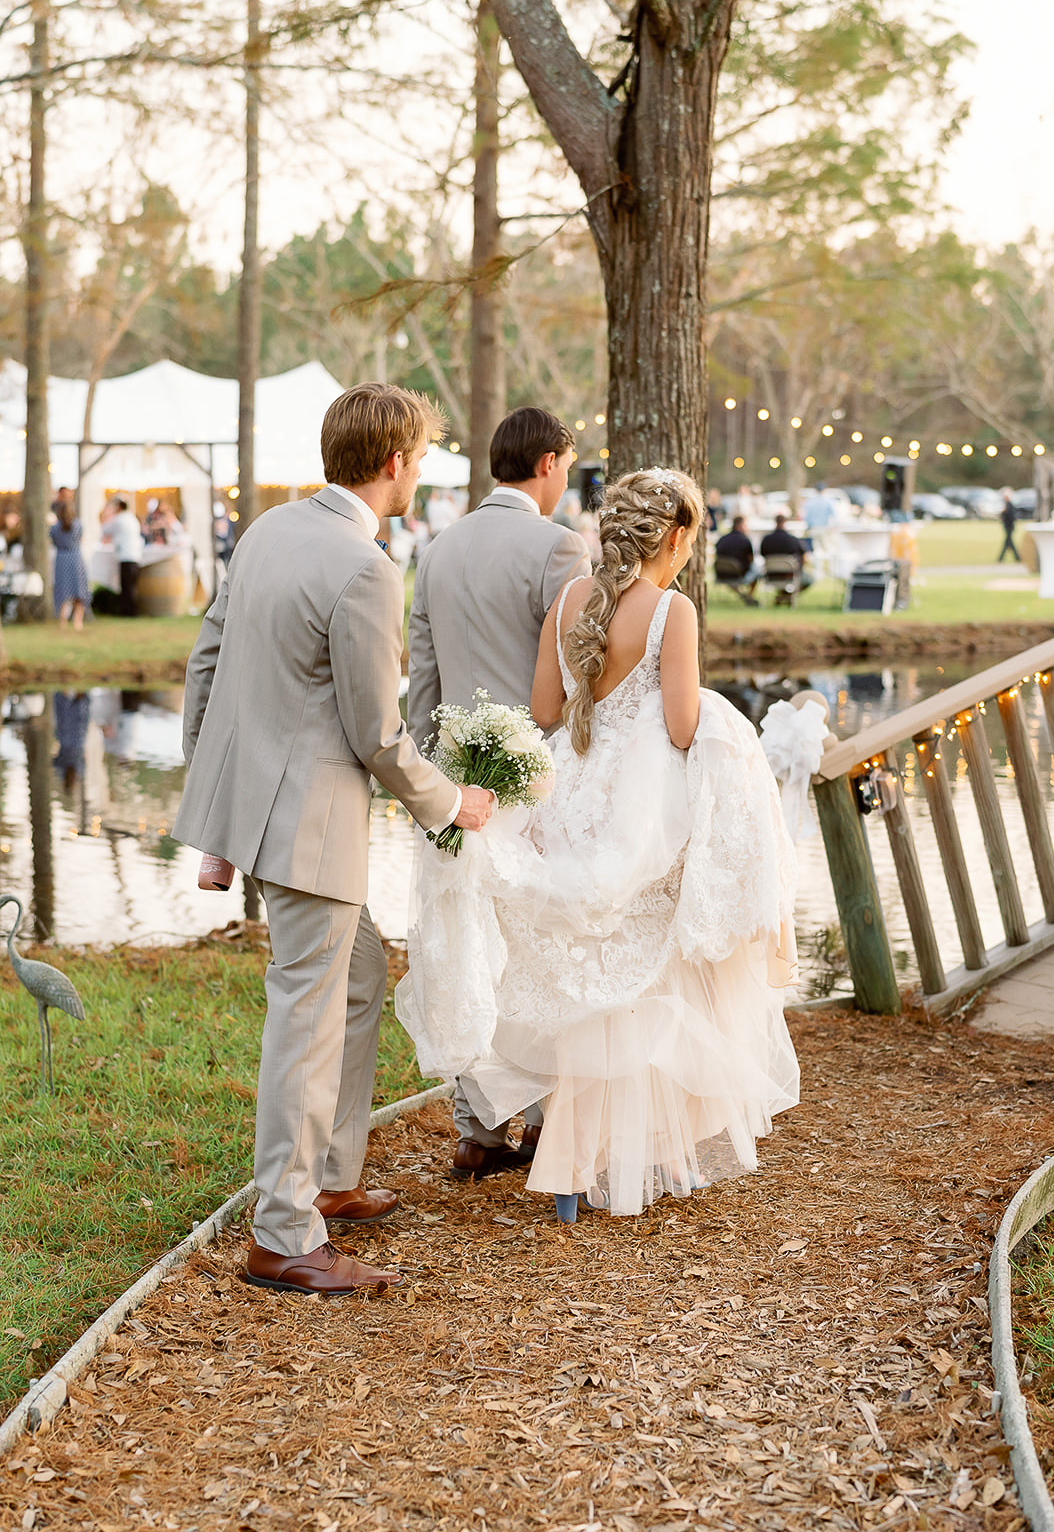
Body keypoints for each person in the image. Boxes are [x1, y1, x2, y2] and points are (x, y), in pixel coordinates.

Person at [399, 469, 800, 1220]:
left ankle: (574, 1162)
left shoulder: (568, 601)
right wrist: (724, 734)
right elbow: (681, 727)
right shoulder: (670, 612)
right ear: (675, 537)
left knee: (586, 965)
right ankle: (607, 1150)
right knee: (645, 969)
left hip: (573, 787)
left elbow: (546, 708)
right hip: (641, 800)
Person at [172, 383, 494, 1297]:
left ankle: (333, 1176)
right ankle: (282, 1232)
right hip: (311, 830)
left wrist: (217, 797)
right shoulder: (366, 569)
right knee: (304, 1022)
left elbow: (207, 659)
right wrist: (450, 804)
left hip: (263, 812)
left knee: (356, 976)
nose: (422, 470)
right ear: (395, 463)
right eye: (423, 456)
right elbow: (377, 734)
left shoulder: (269, 530)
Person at [408, 406, 591, 1181]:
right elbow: (575, 673)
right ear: (548, 463)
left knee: (464, 942)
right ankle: (548, 1123)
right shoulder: (558, 547)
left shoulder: (438, 547)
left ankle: (475, 1130)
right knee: (539, 944)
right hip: (536, 777)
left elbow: (423, 678)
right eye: (568, 464)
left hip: (452, 779)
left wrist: (429, 781)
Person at [50, 500, 91, 629]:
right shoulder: (78, 525)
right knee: (79, 589)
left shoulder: (55, 528)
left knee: (63, 590)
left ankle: (62, 620)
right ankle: (77, 621)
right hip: (75, 558)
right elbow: (81, 539)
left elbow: (53, 541)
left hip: (61, 559)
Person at [102, 497, 143, 616]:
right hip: (135, 555)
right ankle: (131, 610)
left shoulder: (119, 519)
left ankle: (128, 611)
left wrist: (106, 515)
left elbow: (105, 529)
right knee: (131, 585)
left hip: (126, 556)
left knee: (126, 586)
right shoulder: (132, 518)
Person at [759, 513, 814, 600]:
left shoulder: (766, 540)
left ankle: (783, 596)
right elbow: (804, 557)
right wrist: (799, 568)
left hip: (771, 575)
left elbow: (762, 555)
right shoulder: (793, 540)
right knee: (810, 579)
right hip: (789, 575)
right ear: (785, 523)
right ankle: (785, 596)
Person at [715, 515, 759, 597]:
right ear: (740, 525)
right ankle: (749, 595)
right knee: (757, 570)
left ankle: (744, 595)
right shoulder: (745, 541)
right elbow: (751, 560)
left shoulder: (722, 539)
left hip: (721, 574)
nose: (747, 528)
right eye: (745, 525)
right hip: (738, 575)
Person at [998, 490, 1021, 562]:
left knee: (1008, 542)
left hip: (1009, 526)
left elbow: (1011, 516)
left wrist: (1004, 514)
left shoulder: (1009, 505)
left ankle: (1001, 558)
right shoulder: (1007, 505)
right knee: (1009, 542)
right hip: (1007, 526)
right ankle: (1017, 557)